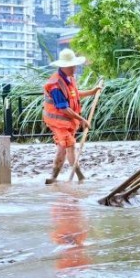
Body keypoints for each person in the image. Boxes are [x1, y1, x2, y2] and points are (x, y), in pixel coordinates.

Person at [43, 48, 101, 184]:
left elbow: (74, 93)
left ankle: (53, 178)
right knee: (70, 146)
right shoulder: (55, 85)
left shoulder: (69, 79)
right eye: (72, 66)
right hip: (59, 122)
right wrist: (81, 119)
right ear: (64, 67)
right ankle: (80, 176)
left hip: (68, 122)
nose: (74, 68)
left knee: (63, 149)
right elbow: (63, 108)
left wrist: (91, 92)